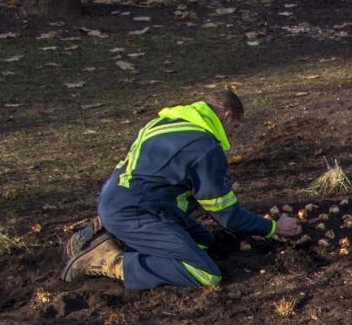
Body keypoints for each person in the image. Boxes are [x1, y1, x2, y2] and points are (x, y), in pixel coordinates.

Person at [61, 87, 301, 288]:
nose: (232, 134)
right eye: (235, 127)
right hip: (139, 212)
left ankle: (109, 232)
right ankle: (109, 260)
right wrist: (272, 226)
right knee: (205, 274)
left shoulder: (164, 123)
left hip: (116, 199)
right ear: (226, 116)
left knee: (204, 240)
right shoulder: (206, 148)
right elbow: (227, 216)